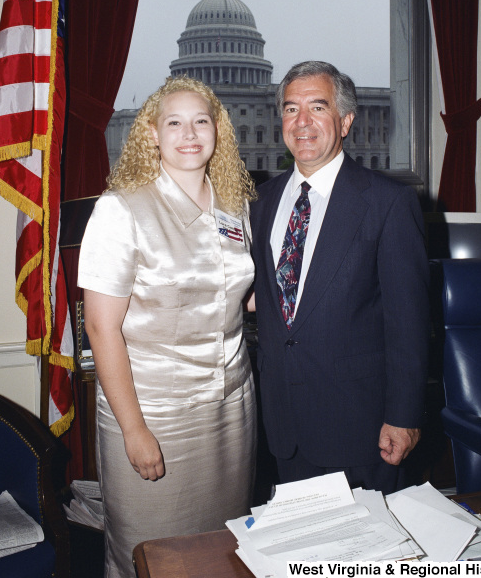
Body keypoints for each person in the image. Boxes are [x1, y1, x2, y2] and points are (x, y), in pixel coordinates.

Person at [78, 76, 257, 578]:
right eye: (173, 122)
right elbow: (100, 328)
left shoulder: (234, 206)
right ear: (152, 134)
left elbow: (236, 292)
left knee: (224, 549)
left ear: (217, 131)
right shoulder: (121, 210)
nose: (189, 133)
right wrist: (135, 431)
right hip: (155, 411)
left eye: (201, 120)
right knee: (151, 554)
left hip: (232, 408)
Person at [249, 60, 430, 494]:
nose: (303, 122)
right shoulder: (262, 202)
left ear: (346, 120)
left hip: (360, 428)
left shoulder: (388, 203)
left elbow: (409, 323)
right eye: (291, 109)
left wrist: (404, 417)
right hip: (281, 426)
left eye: (318, 107)